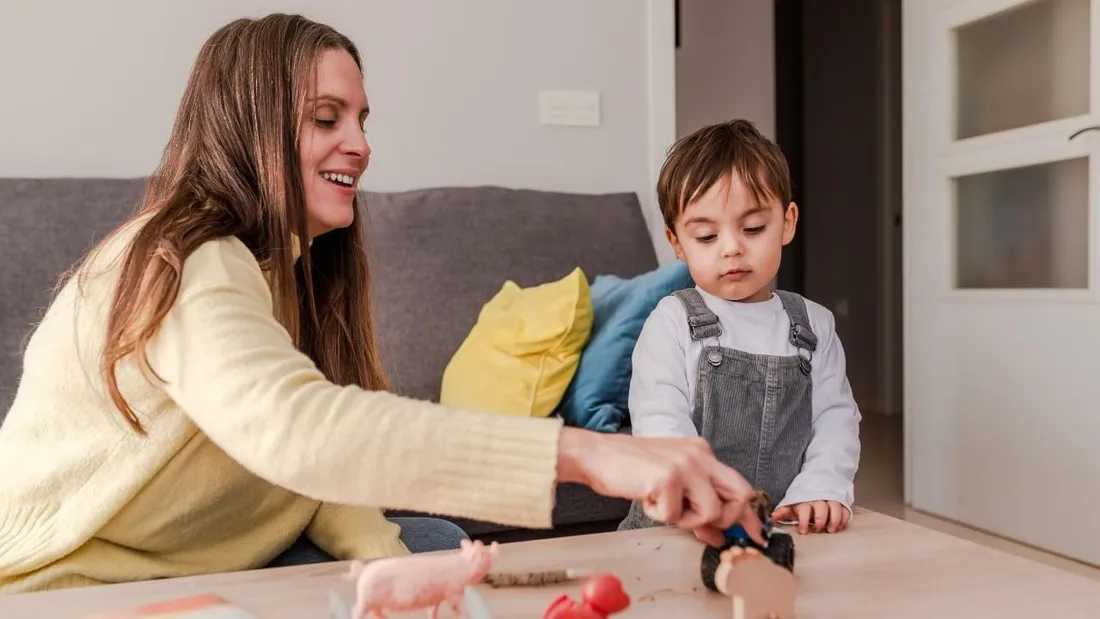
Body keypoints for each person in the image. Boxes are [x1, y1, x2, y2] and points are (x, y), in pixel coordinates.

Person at [0, 14, 764, 593]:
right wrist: (600, 453)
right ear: (250, 124)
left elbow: (312, 481)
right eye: (326, 118)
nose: (359, 144)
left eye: (362, 121)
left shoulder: (286, 271)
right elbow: (301, 433)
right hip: (73, 582)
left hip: (208, 550)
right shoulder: (186, 259)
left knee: (431, 541)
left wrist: (396, 571)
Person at [617, 120, 861, 535]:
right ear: (677, 243)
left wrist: (821, 487)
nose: (732, 247)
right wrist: (696, 493)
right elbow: (659, 422)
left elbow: (836, 420)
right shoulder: (672, 321)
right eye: (707, 236)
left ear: (787, 222)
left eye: (752, 229)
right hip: (678, 528)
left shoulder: (813, 325)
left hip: (780, 526)